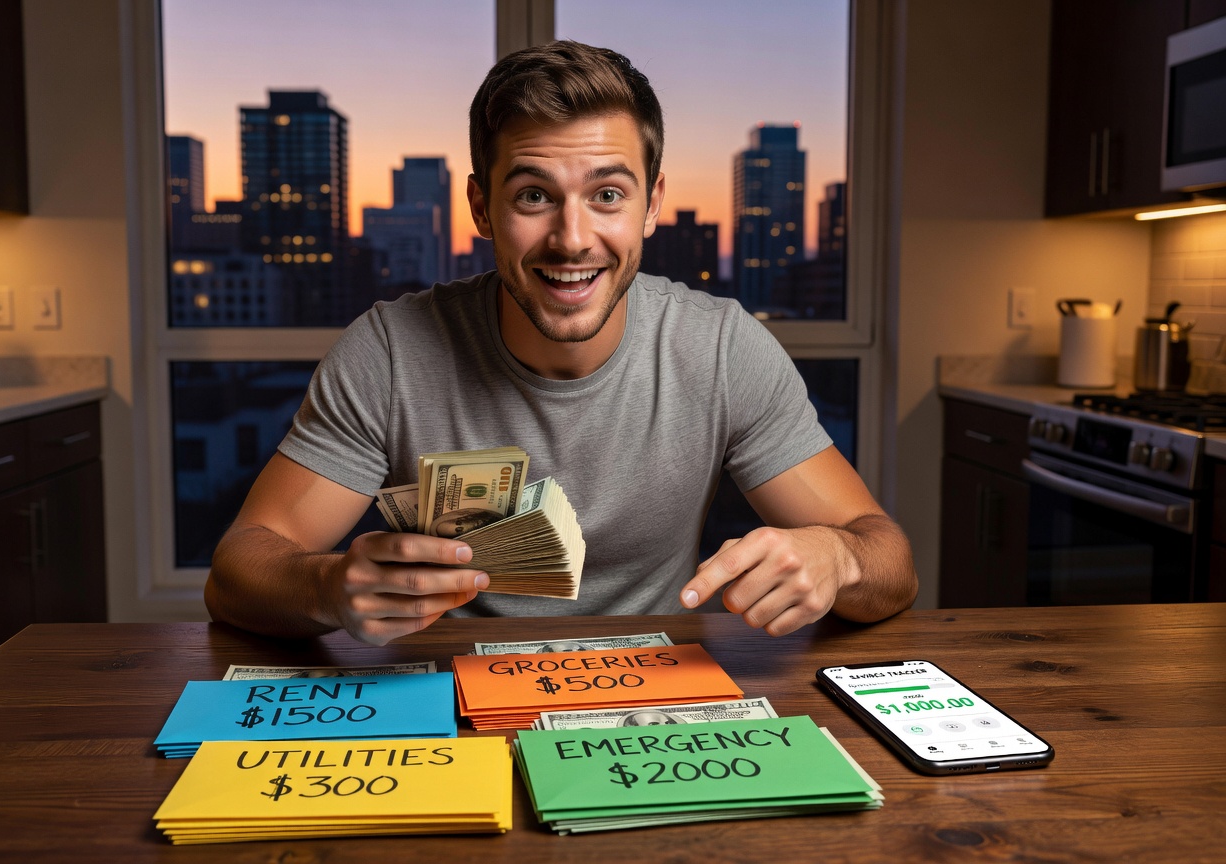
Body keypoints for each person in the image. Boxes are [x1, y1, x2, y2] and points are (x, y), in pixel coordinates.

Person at [206, 40, 917, 647]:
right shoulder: (389, 352)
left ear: (652, 204)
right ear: (482, 207)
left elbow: (890, 563)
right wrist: (328, 587)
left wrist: (837, 557)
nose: (572, 239)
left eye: (607, 195)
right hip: (454, 702)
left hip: (649, 704)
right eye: (534, 196)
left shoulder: (722, 348)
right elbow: (237, 573)